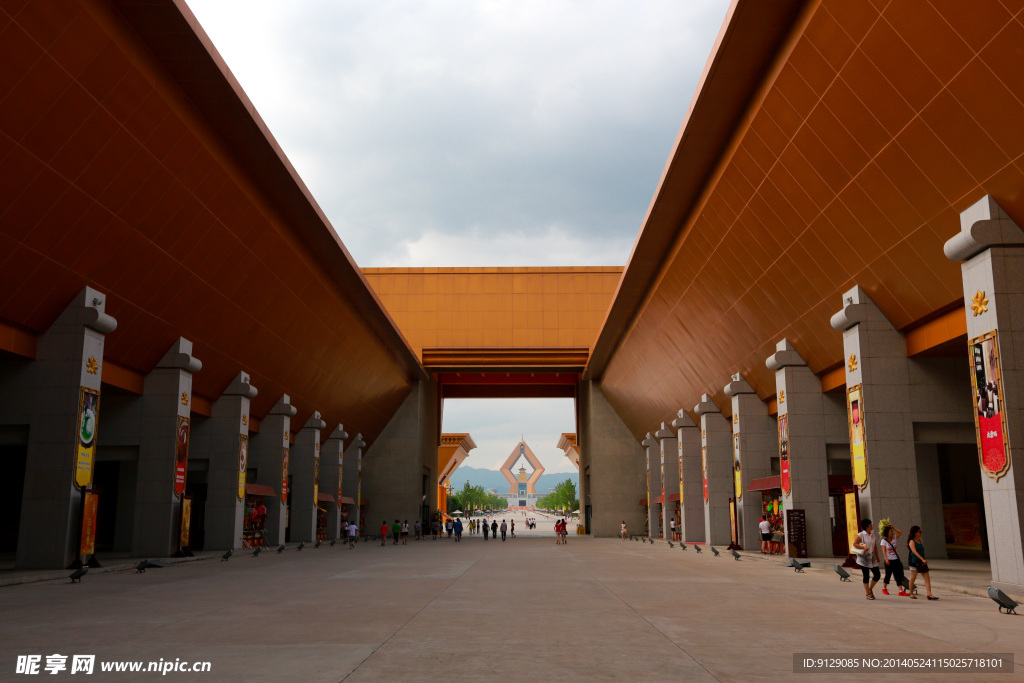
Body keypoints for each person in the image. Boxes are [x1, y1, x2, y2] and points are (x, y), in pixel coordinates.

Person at [852, 518, 881, 600]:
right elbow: (855, 544)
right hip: (863, 559)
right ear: (866, 526)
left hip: (872, 558)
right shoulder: (861, 534)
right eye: (870, 524)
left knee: (877, 575)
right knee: (866, 575)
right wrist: (863, 547)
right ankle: (868, 593)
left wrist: (878, 557)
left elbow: (875, 547)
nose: (872, 526)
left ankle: (870, 589)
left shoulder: (873, 535)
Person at [907, 525, 938, 600]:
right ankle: (911, 593)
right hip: (914, 561)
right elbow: (914, 551)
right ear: (915, 533)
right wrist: (922, 559)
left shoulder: (919, 540)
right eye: (919, 532)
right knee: (913, 577)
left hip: (921, 562)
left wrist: (923, 559)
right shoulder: (911, 541)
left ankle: (929, 594)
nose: (921, 533)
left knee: (927, 578)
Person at [880, 522, 908, 596]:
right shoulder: (884, 541)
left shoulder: (894, 538)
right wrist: (886, 559)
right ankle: (884, 588)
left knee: (897, 575)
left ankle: (900, 591)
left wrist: (893, 527)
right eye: (890, 531)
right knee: (888, 575)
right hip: (888, 560)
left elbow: (900, 532)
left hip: (895, 560)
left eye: (892, 531)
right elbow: (884, 551)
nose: (892, 533)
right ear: (887, 533)